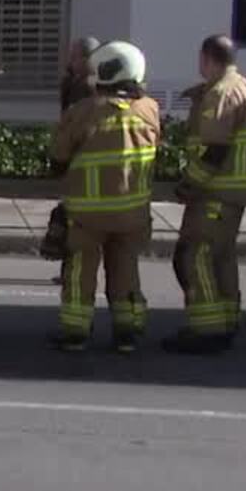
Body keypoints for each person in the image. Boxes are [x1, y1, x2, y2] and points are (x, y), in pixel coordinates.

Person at [50, 41, 161, 354]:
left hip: (88, 215)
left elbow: (58, 159)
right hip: (133, 213)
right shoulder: (150, 109)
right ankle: (128, 333)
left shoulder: (83, 112)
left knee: (80, 272)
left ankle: (76, 333)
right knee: (126, 270)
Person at [163, 35, 246, 355]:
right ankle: (226, 320)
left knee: (196, 255)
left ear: (207, 58)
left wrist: (189, 184)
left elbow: (215, 148)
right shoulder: (243, 86)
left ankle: (207, 329)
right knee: (221, 257)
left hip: (215, 191)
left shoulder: (221, 93)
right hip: (233, 191)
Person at [40, 35, 102, 266]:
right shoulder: (74, 82)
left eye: (74, 56)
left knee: (73, 218)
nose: (70, 60)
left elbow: (74, 124)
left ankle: (72, 264)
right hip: (73, 157)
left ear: (87, 59)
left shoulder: (87, 87)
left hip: (79, 160)